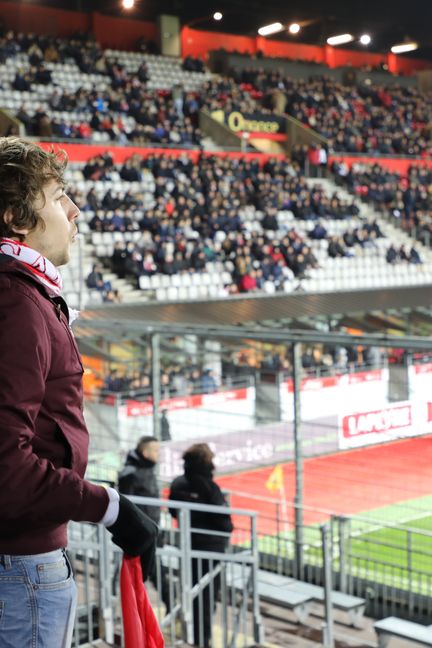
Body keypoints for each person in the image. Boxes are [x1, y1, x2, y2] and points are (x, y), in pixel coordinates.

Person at [0, 137, 158, 648]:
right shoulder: (16, 303)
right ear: (18, 220)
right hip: (21, 572)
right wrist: (111, 507)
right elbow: (7, 466)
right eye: (57, 196)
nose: (76, 210)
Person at [169, 443, 233, 648]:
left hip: (188, 545)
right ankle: (202, 641)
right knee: (207, 597)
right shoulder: (209, 487)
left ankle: (194, 636)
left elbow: (173, 511)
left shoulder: (178, 483)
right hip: (210, 549)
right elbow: (225, 523)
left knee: (192, 592)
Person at [118, 436, 170, 612]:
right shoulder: (131, 473)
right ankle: (171, 605)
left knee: (147, 571)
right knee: (153, 571)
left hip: (150, 531)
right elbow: (127, 505)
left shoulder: (147, 471)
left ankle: (168, 606)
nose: (159, 454)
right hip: (141, 533)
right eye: (156, 450)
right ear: (146, 452)